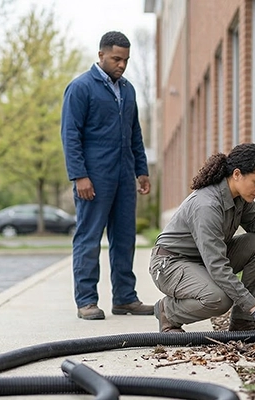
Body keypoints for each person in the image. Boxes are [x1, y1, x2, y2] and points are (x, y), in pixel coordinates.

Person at [149, 143, 255, 341]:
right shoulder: (206, 206)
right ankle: (168, 311)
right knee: (219, 298)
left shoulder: (240, 196)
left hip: (202, 260)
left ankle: (243, 324)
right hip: (171, 264)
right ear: (237, 174)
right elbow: (218, 267)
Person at [61, 31, 153, 320]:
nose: (122, 65)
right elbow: (70, 135)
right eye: (116, 59)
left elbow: (134, 133)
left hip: (125, 176)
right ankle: (86, 301)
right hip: (94, 178)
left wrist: (142, 169)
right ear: (101, 55)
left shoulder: (128, 90)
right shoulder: (81, 88)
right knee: (88, 238)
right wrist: (79, 176)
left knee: (124, 239)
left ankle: (125, 298)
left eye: (125, 60)